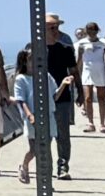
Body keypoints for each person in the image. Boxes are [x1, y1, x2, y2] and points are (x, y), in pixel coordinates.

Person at [34, 13, 81, 178]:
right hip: (41, 99)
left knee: (63, 135)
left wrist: (80, 92)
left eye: (57, 27)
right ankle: (46, 168)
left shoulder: (65, 49)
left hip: (62, 99)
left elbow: (74, 71)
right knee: (44, 136)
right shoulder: (34, 50)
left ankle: (63, 166)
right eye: (52, 28)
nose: (56, 31)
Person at [77, 14, 105, 135]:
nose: (92, 32)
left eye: (94, 29)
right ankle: (90, 122)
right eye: (89, 29)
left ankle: (102, 123)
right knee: (88, 98)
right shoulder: (82, 43)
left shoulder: (104, 43)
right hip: (87, 71)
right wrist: (76, 74)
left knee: (101, 98)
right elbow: (79, 60)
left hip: (100, 71)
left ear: (97, 30)